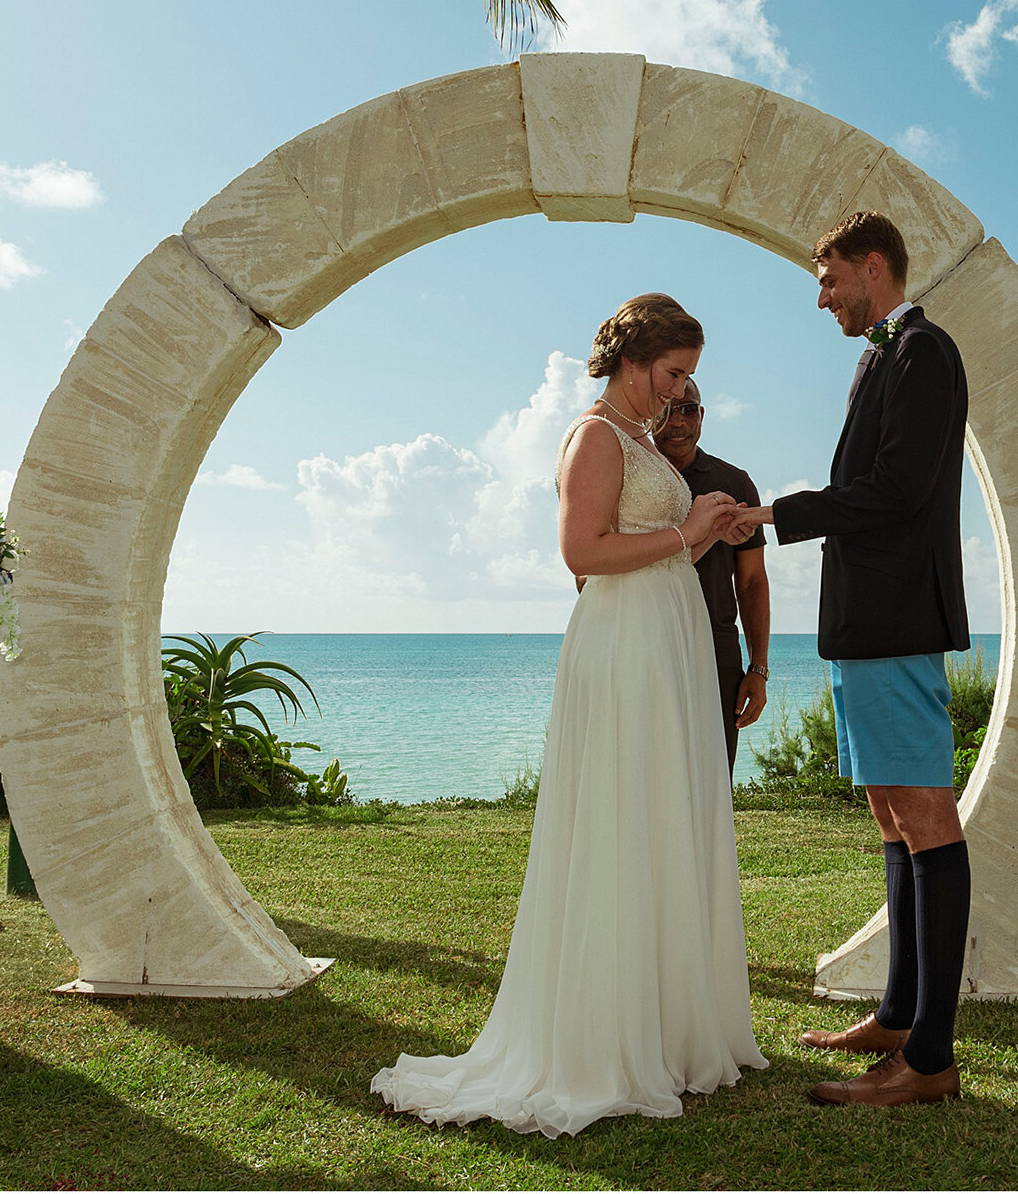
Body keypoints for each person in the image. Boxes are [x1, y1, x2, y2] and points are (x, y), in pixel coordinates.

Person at [371, 294, 766, 1135]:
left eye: (688, 377)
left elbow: (649, 548)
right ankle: (603, 1037)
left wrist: (706, 530)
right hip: (622, 648)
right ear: (633, 361)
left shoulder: (637, 440)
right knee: (622, 819)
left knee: (663, 818)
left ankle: (663, 1024)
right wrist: (684, 528)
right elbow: (582, 554)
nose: (679, 391)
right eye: (673, 373)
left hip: (662, 638)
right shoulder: (593, 436)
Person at [728, 212, 973, 1109]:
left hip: (900, 619)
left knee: (925, 814)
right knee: (890, 811)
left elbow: (899, 490)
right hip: (864, 621)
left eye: (829, 279)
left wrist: (772, 516)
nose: (822, 297)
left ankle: (932, 1056)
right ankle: (900, 1017)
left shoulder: (925, 352)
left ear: (875, 267)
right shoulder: (878, 356)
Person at [652, 378, 770, 772]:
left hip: (717, 648)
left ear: (701, 414)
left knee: (713, 778)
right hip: (645, 637)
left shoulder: (735, 483)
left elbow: (752, 581)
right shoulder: (628, 479)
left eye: (688, 410)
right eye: (666, 409)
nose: (677, 422)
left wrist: (758, 668)